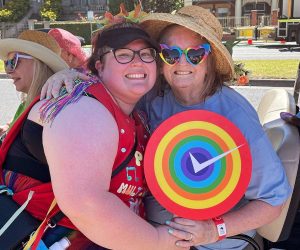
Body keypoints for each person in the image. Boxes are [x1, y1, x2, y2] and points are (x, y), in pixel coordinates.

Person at [42, 6, 292, 250]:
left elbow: (273, 201)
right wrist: (72, 78)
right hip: (147, 226)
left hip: (208, 242)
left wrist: (214, 230)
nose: (181, 63)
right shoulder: (155, 96)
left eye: (194, 54)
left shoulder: (235, 115)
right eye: (170, 54)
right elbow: (113, 82)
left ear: (210, 59)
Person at [0, 21, 188, 250]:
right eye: (123, 54)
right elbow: (87, 205)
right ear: (99, 65)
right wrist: (159, 240)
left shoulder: (135, 114)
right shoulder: (82, 107)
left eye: (146, 54)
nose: (138, 61)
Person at [0, 30, 68, 139]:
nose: (8, 71)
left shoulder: (53, 109)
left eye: (13, 62)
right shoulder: (26, 104)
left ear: (38, 64)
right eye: (6, 63)